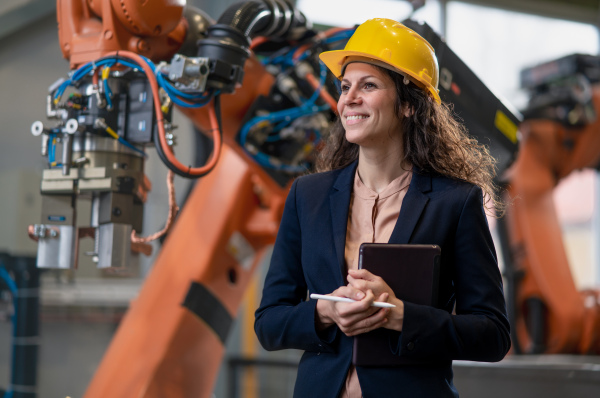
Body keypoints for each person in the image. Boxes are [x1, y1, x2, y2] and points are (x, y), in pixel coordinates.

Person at [254, 18, 510, 397]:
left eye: (368, 85)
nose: (349, 98)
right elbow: (269, 323)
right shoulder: (307, 196)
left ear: (408, 104)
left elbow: (493, 334)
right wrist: (326, 312)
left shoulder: (455, 202)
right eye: (344, 87)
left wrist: (402, 317)